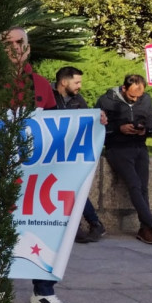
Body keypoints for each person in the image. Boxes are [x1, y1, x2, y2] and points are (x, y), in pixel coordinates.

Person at [0, 27, 75, 303]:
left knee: (44, 228)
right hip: (0, 173)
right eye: (7, 43)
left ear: (28, 46)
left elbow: (57, 124)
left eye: (19, 42)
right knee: (2, 231)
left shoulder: (40, 83)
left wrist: (94, 121)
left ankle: (44, 292)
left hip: (37, 178)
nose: (14, 47)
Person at [96, 74, 152, 245]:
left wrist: (145, 130)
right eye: (132, 96)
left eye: (139, 96)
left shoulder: (146, 100)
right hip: (118, 148)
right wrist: (119, 128)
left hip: (140, 147)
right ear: (123, 88)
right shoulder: (106, 101)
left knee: (143, 187)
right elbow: (98, 127)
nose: (136, 99)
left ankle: (145, 230)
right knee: (134, 185)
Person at [53, 66, 107, 243]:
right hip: (51, 151)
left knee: (72, 187)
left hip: (71, 152)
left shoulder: (78, 100)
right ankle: (89, 224)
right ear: (63, 82)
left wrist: (99, 118)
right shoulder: (50, 96)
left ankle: (83, 226)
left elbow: (88, 119)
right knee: (70, 188)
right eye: (76, 82)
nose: (79, 86)